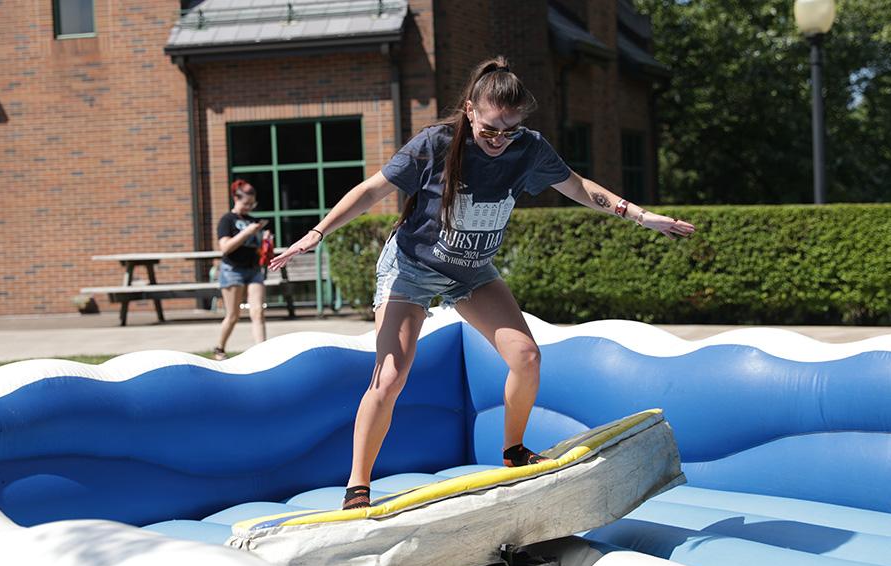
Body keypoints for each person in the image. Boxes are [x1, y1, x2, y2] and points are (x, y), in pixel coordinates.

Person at [269, 57, 695, 510]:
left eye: (509, 131)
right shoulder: (435, 143)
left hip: (471, 270)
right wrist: (317, 233)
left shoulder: (528, 149)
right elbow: (371, 190)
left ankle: (513, 452)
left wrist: (642, 217)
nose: (499, 140)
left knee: (527, 357)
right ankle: (358, 486)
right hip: (410, 267)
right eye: (490, 129)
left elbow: (579, 188)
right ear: (470, 109)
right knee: (390, 376)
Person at [214, 179, 272, 360]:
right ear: (235, 198)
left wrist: (267, 240)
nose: (249, 207)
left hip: (253, 269)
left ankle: (262, 353)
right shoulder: (227, 220)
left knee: (258, 312)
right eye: (245, 203)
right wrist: (247, 232)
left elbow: (259, 249)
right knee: (233, 315)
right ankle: (219, 348)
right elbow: (225, 247)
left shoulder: (253, 221)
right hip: (233, 270)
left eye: (251, 204)